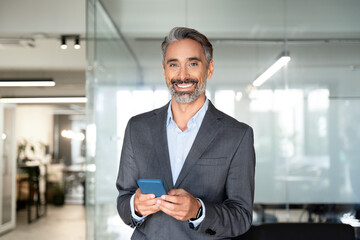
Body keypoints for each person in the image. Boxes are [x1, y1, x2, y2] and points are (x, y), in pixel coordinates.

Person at [116, 27, 255, 240]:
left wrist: (198, 211)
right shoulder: (137, 128)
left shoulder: (237, 135)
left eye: (192, 64)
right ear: (164, 71)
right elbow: (124, 200)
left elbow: (241, 217)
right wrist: (135, 206)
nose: (182, 75)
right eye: (174, 65)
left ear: (209, 69)